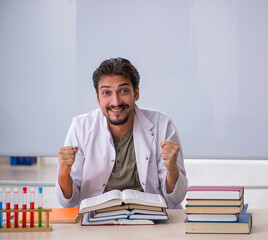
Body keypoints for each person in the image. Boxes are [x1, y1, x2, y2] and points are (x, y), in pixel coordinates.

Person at [55, 57, 188, 209]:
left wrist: (172, 169)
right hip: (97, 221)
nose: (116, 101)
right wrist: (64, 174)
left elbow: (176, 198)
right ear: (98, 98)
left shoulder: (162, 124)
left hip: (151, 219)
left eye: (123, 91)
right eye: (106, 93)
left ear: (136, 93)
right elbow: (68, 202)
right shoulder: (80, 127)